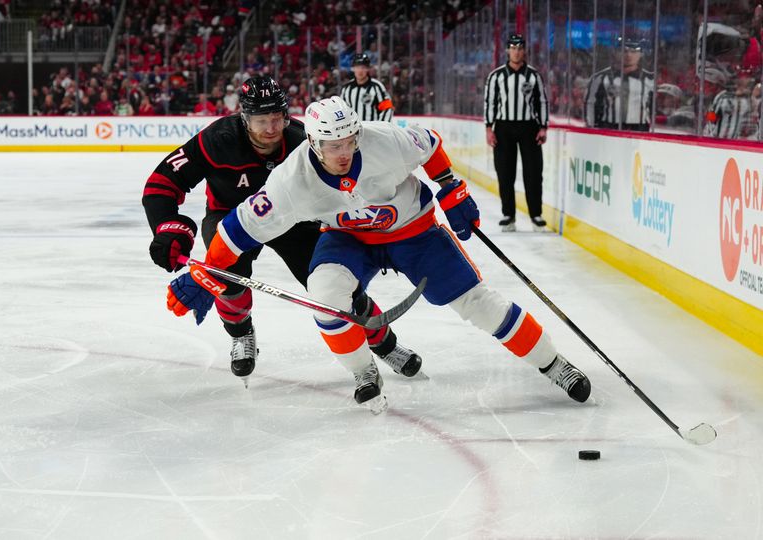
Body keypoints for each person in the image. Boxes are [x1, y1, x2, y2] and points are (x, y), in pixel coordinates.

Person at [165, 96, 592, 413]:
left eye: (350, 140)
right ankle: (363, 371)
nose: (345, 151)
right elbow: (237, 230)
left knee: (478, 303)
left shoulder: (384, 139)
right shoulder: (290, 180)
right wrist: (207, 273)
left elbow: (429, 144)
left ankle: (554, 364)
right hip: (347, 238)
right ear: (312, 142)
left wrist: (450, 187)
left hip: (414, 231)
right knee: (324, 293)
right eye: (333, 145)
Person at [143, 76, 421, 385]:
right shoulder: (217, 139)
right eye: (262, 120)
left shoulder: (305, 140)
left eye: (277, 118)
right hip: (232, 220)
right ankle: (241, 334)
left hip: (293, 222)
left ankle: (385, 344)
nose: (272, 129)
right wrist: (167, 228)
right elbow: (162, 182)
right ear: (244, 118)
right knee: (226, 278)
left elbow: (344, 187)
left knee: (336, 284)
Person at [483, 33, 549, 232]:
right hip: (503, 128)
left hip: (529, 127)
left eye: (520, 48)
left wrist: (543, 126)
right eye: (513, 48)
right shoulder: (496, 76)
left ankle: (536, 215)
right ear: (507, 50)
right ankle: (508, 215)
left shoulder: (534, 75)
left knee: (533, 172)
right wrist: (489, 127)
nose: (516, 51)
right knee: (505, 172)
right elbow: (490, 102)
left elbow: (542, 102)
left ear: (524, 51)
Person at [585, 36, 655, 131]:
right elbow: (591, 104)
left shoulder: (650, 79)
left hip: (640, 130)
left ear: (641, 54)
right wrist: (592, 128)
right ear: (615, 52)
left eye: (634, 51)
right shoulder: (600, 78)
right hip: (609, 129)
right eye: (624, 51)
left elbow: (653, 107)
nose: (628, 55)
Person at [340, 53, 395, 122]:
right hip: (353, 131)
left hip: (372, 130)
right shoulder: (346, 88)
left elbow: (387, 108)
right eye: (357, 67)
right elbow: (342, 110)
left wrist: (381, 127)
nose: (360, 71)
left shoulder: (376, 86)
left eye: (363, 67)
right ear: (353, 69)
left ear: (368, 69)